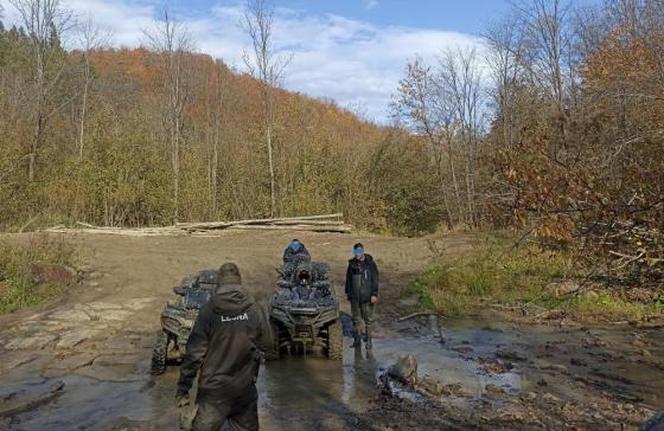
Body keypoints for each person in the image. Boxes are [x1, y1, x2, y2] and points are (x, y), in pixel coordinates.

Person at [176, 263, 272, 431]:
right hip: (244, 390)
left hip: (213, 393)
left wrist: (183, 388)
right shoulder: (254, 309)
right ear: (239, 281)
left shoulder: (208, 311)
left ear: (219, 283)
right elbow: (268, 344)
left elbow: (194, 355)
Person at [344, 243, 379, 350]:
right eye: (355, 252)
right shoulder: (352, 264)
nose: (357, 254)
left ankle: (369, 341)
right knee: (356, 320)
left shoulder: (370, 264)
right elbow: (348, 280)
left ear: (362, 251)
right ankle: (357, 340)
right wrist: (348, 293)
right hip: (355, 298)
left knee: (368, 320)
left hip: (367, 297)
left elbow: (375, 280)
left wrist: (374, 294)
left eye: (359, 252)